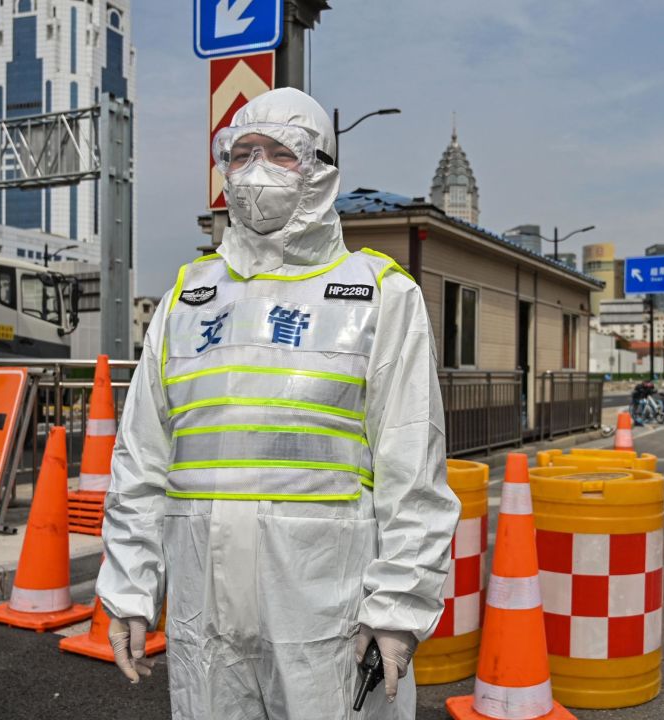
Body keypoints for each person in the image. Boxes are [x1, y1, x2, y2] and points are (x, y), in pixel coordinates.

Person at [95, 88, 460, 719]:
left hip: (327, 614)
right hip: (202, 616)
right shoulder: (187, 299)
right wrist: (129, 588)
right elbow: (141, 463)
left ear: (320, 170)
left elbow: (413, 470)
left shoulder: (378, 297)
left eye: (279, 154)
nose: (255, 170)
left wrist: (398, 608)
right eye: (241, 153)